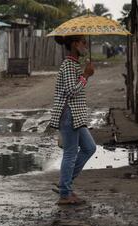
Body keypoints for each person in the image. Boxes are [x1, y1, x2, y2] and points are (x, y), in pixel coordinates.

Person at [50, 35, 97, 205]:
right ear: (75, 44)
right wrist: (86, 75)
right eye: (83, 42)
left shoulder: (74, 64)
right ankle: (65, 193)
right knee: (70, 153)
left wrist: (84, 72)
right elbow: (71, 91)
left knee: (89, 148)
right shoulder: (69, 64)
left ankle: (65, 183)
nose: (86, 45)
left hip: (76, 115)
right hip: (69, 114)